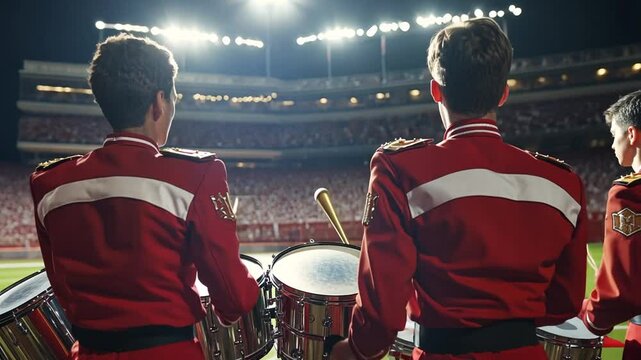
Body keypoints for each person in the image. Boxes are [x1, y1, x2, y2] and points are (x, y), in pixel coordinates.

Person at [327, 18, 587, 360]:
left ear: (436, 90)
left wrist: (356, 350)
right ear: (504, 93)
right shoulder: (563, 182)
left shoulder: (401, 168)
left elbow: (384, 304)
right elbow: (564, 303)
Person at [29, 33, 259, 360]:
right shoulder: (196, 174)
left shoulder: (49, 182)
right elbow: (235, 298)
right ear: (158, 102)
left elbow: (63, 291)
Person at [580, 90, 641, 359]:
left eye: (614, 135)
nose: (612, 145)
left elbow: (621, 292)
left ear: (631, 134)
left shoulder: (629, 193)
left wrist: (590, 317)